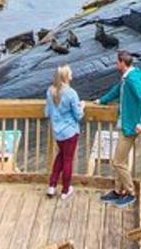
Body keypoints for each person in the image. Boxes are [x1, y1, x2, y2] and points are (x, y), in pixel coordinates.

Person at [96, 49, 141, 207]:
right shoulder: (126, 78)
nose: (116, 64)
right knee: (119, 160)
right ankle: (117, 190)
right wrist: (102, 101)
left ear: (122, 63)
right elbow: (117, 91)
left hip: (130, 127)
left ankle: (130, 192)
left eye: (117, 62)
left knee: (118, 162)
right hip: (125, 123)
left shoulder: (132, 79)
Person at [45, 64, 84, 199]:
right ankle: (65, 190)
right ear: (66, 77)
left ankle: (52, 185)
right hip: (70, 132)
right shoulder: (71, 93)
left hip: (57, 133)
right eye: (70, 73)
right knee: (68, 160)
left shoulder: (50, 91)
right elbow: (78, 115)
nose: (72, 75)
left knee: (60, 157)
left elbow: (46, 112)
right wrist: (82, 107)